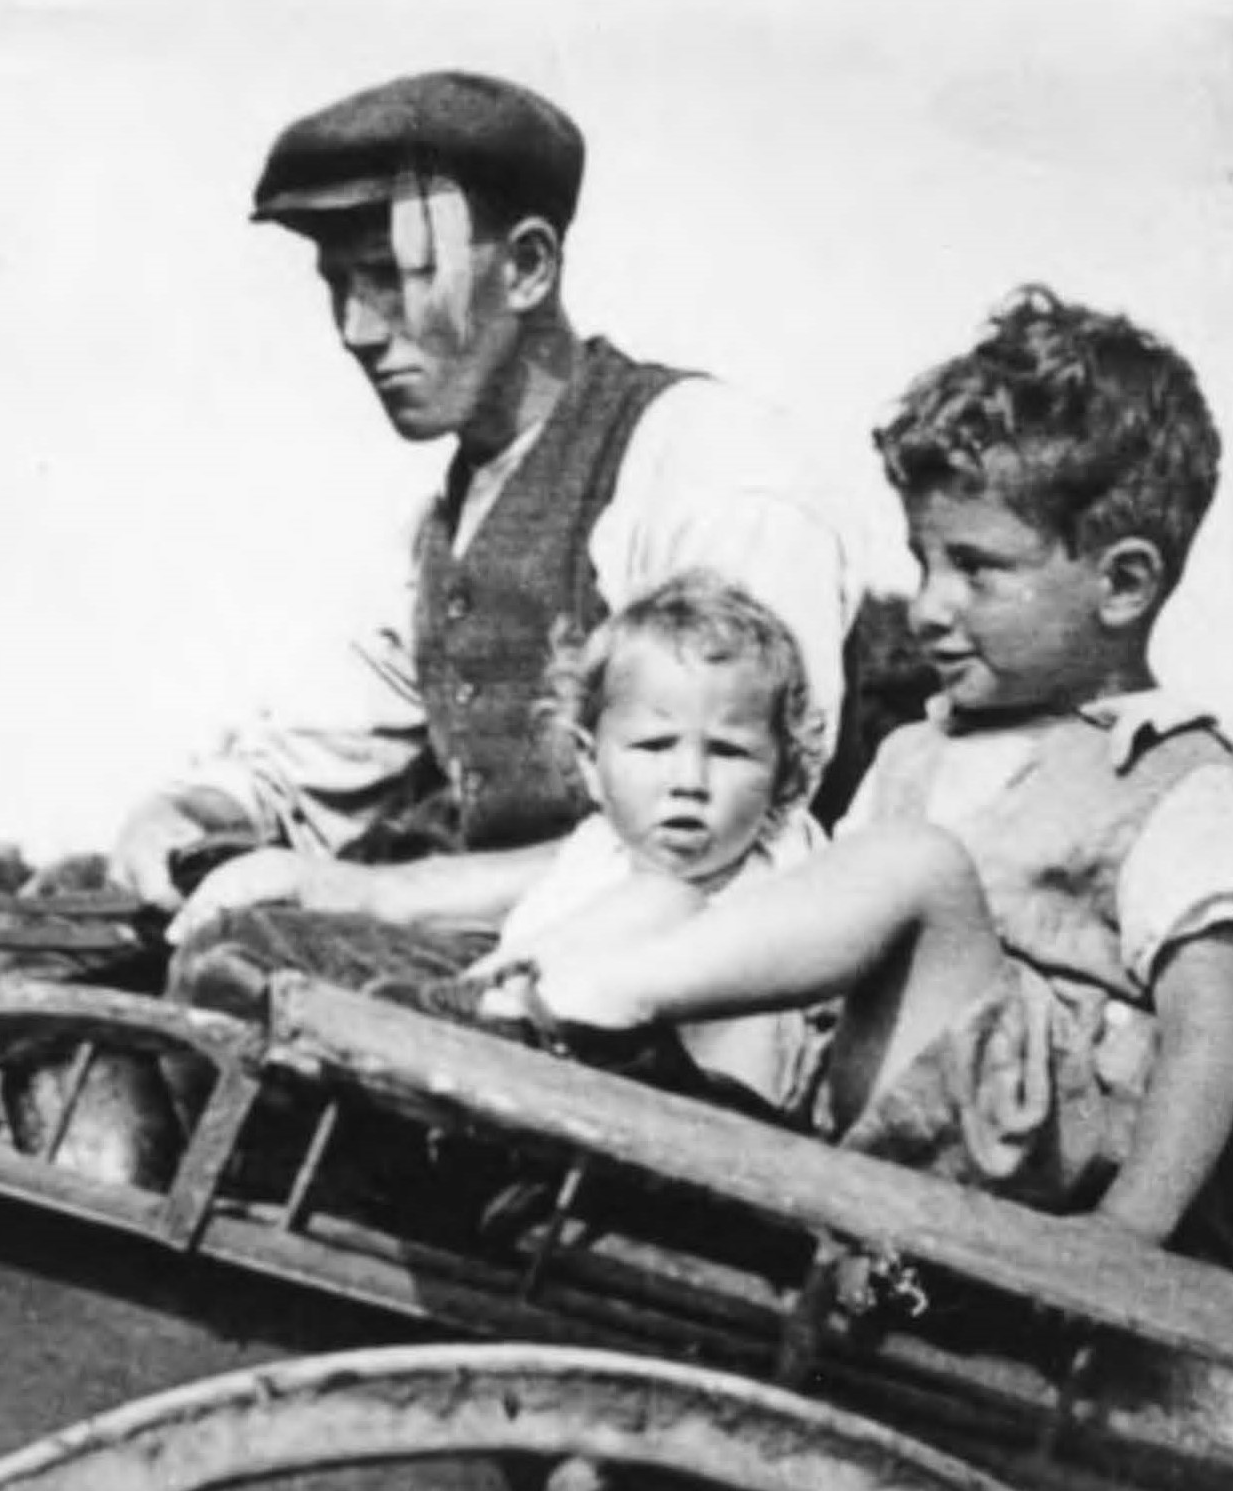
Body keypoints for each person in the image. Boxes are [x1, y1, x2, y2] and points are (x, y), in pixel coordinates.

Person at [479, 287, 1233, 1250]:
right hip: (869, 1131)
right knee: (686, 887)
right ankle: (538, 1019)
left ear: (1121, 584)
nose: (927, 607)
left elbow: (1215, 1026)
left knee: (913, 868)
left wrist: (1128, 1237)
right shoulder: (916, 750)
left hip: (1032, 1169)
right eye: (923, 563)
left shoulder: (1174, 776)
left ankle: (613, 1005)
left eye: (975, 568)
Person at [108, 68, 861, 920]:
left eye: (393, 277)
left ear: (529, 267)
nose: (356, 329)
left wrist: (373, 895)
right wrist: (188, 814)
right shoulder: (440, 534)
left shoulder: (711, 460)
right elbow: (307, 762)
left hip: (692, 1006)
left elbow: (737, 836)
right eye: (337, 286)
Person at [172, 570, 831, 1119]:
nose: (689, 781)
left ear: (783, 778)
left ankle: (461, 1019)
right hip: (538, 1110)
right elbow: (417, 897)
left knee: (663, 901)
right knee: (262, 943)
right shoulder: (593, 850)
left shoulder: (782, 870)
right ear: (590, 764)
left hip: (695, 1133)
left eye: (730, 752)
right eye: (654, 747)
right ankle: (439, 1024)